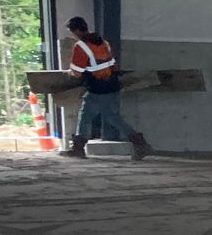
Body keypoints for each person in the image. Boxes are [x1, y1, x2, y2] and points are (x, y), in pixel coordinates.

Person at [62, 17, 151, 159]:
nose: (72, 35)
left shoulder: (81, 46)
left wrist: (70, 72)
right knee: (113, 118)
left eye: (72, 32)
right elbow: (112, 65)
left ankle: (78, 148)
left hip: (97, 88)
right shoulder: (103, 42)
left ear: (77, 30)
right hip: (113, 85)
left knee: (85, 116)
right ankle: (140, 144)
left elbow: (77, 73)